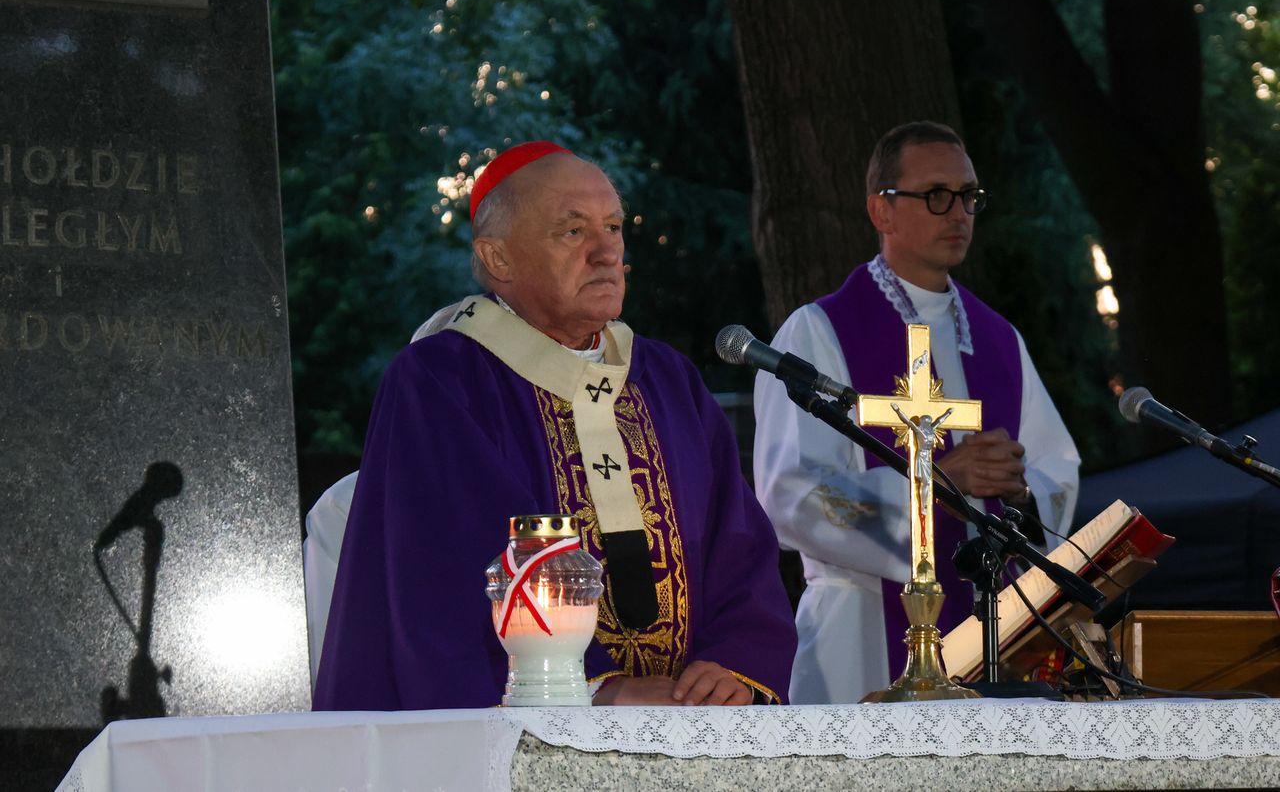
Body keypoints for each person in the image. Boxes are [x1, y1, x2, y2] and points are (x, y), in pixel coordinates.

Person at [313, 141, 797, 710]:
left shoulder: (667, 380)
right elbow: (447, 563)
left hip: (695, 723)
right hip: (526, 731)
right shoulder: (442, 380)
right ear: (499, 260)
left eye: (614, 227)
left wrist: (733, 663)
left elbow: (738, 543)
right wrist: (598, 688)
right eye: (572, 232)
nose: (605, 252)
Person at [753, 121, 1079, 704]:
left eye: (969, 196)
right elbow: (793, 492)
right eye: (936, 195)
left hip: (987, 633)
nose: (958, 213)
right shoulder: (818, 332)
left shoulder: (1000, 340)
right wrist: (941, 483)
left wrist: (1021, 490)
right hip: (859, 632)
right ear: (882, 210)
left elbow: (1056, 473)